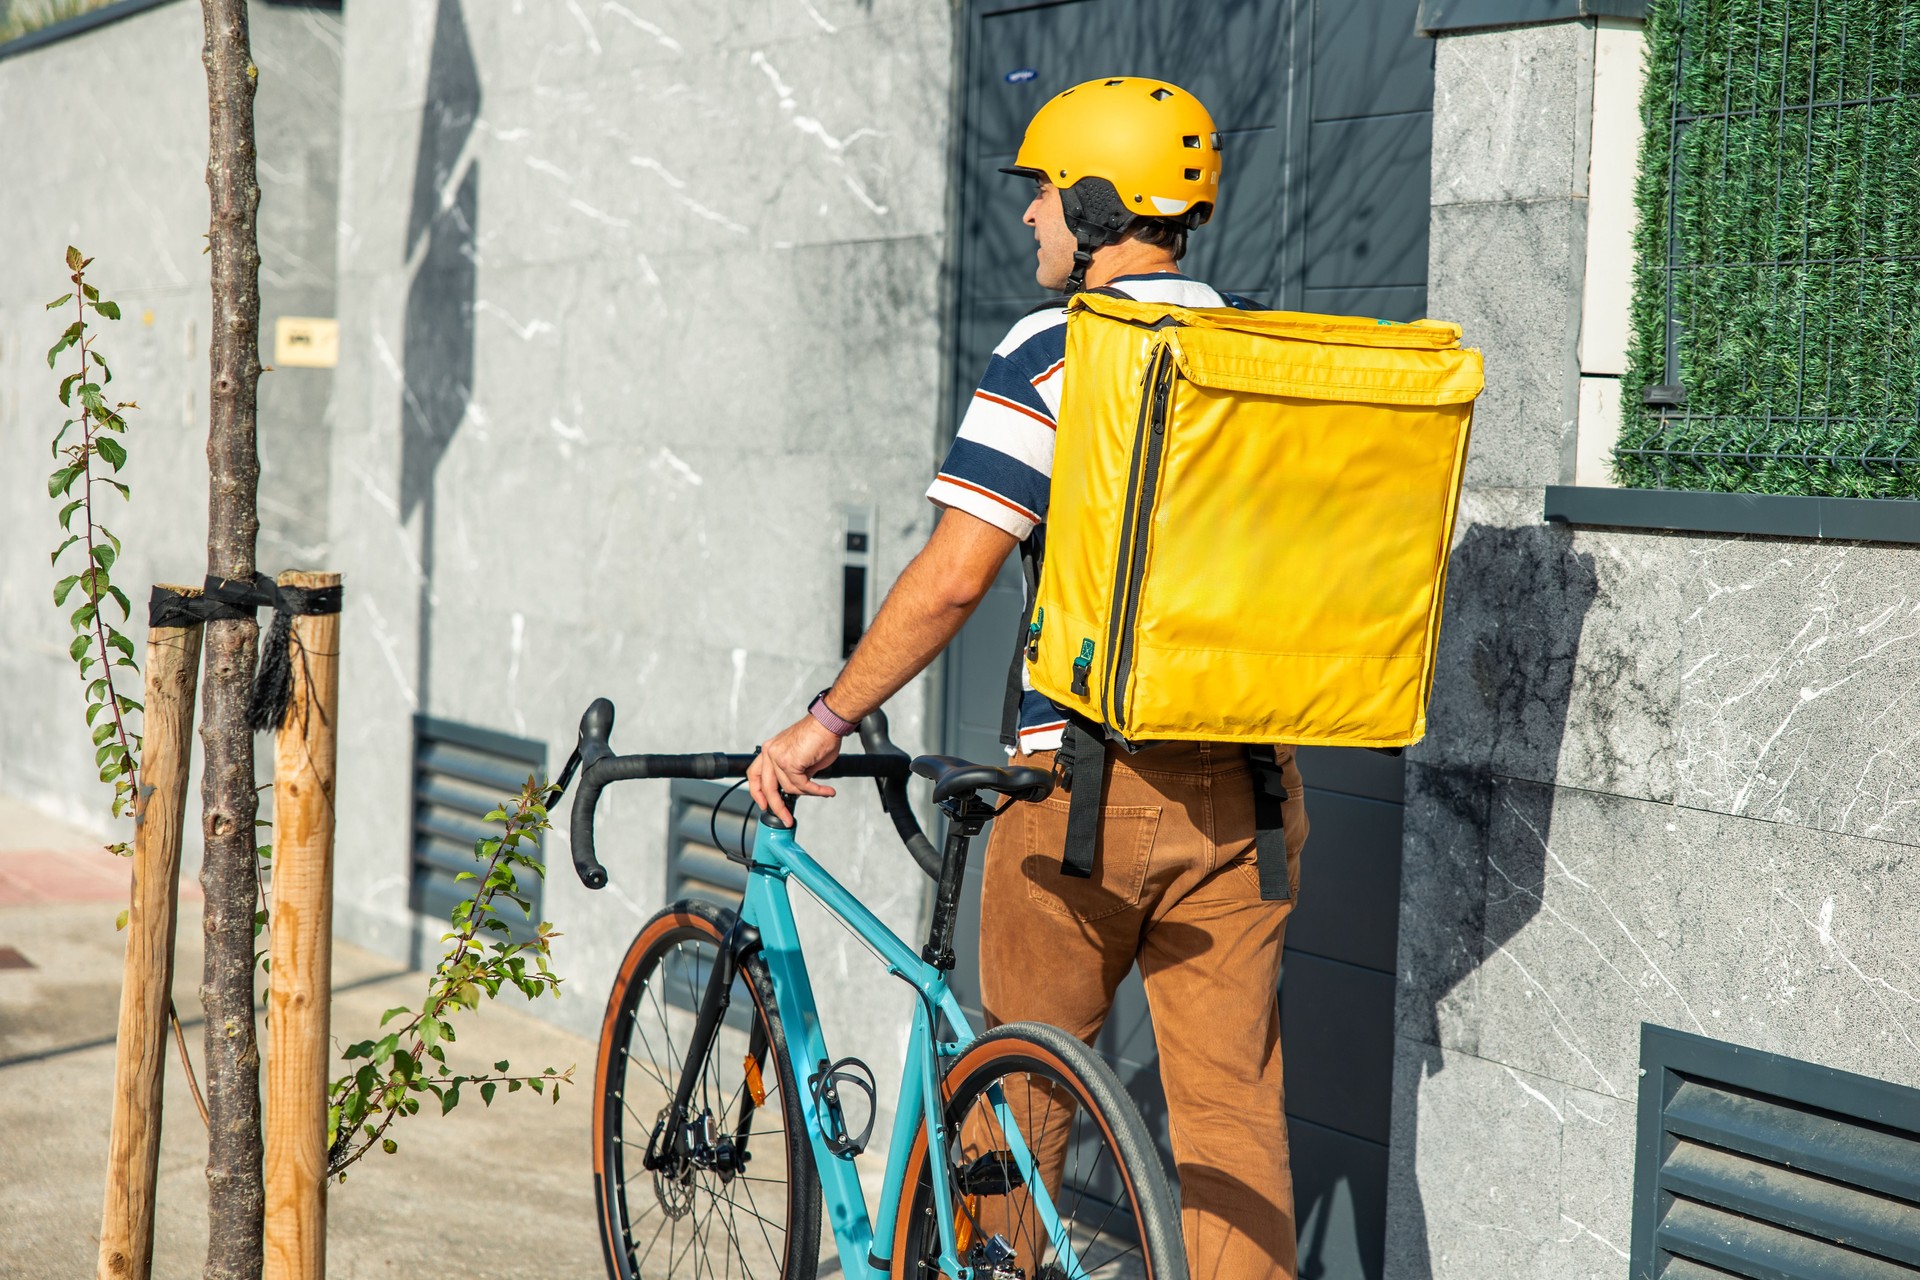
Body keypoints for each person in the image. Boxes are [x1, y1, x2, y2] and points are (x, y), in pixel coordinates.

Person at [747, 76, 1309, 1279]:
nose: (1031, 219)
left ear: (1099, 204)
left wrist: (827, 719)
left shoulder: (1058, 351)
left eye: (1047, 193)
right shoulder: (1262, 352)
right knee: (1231, 1124)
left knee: (1016, 1092)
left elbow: (955, 576)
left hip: (1087, 791)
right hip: (1253, 791)